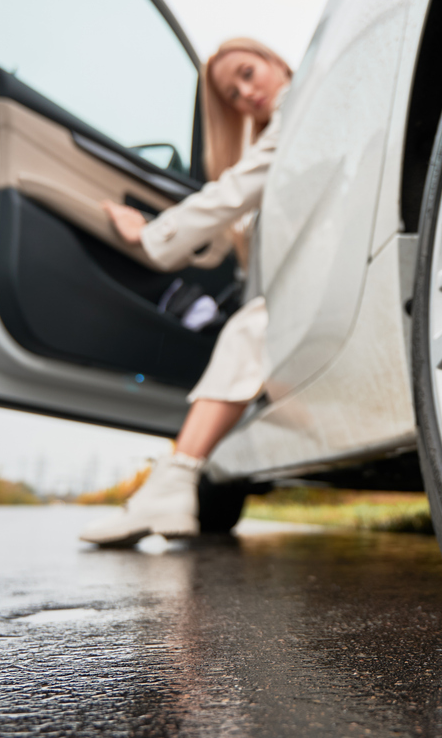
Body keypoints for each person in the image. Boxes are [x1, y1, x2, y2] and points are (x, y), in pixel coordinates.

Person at [79, 38, 292, 546]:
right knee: (247, 327)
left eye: (248, 73)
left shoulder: (298, 107)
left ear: (275, 61)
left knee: (249, 328)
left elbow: (232, 191)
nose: (246, 93)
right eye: (233, 94)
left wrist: (151, 234)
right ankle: (171, 485)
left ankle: (170, 485)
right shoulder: (276, 133)